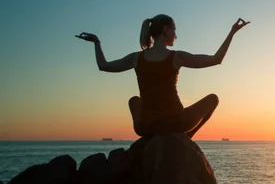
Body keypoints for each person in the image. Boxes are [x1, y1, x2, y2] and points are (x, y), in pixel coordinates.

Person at [76, 15, 250, 138]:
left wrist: (97, 43)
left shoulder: (136, 58)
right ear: (166, 29)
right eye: (174, 29)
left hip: (145, 127)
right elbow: (216, 59)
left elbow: (103, 66)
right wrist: (232, 32)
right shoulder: (176, 56)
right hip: (176, 123)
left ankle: (164, 135)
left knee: (133, 100)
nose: (176, 34)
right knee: (213, 99)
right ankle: (187, 136)